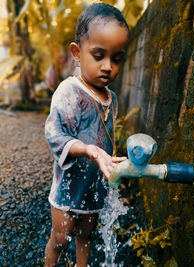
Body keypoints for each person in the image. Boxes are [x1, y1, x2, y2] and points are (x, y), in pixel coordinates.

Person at [44, 3, 129, 267]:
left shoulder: (111, 98)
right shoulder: (70, 92)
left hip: (94, 187)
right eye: (98, 55)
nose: (108, 67)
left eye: (116, 59)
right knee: (60, 238)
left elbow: (107, 138)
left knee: (86, 235)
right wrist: (89, 150)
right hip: (69, 188)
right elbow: (55, 133)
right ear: (77, 53)